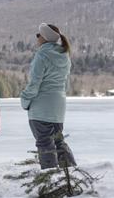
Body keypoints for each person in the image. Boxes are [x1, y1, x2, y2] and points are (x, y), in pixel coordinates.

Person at [21, 23, 77, 169]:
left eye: (38, 34)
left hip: (41, 109)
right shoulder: (64, 55)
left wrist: (25, 100)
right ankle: (71, 175)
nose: (37, 37)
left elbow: (34, 84)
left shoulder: (42, 55)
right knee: (59, 142)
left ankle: (50, 178)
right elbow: (66, 85)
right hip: (58, 108)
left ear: (44, 37)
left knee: (45, 143)